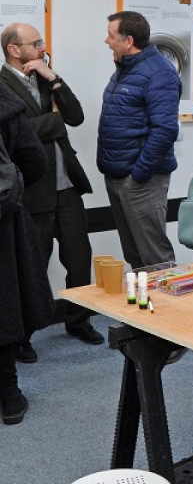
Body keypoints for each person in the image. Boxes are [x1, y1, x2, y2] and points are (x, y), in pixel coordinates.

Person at [1, 24, 101, 363]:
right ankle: (23, 337)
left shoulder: (46, 77)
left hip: (67, 186)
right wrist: (53, 121)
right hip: (31, 193)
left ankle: (78, 320)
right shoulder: (2, 86)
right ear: (14, 50)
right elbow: (17, 133)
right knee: (32, 266)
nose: (42, 47)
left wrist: (53, 76)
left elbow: (75, 116)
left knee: (78, 258)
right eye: (36, 43)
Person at [98, 11, 181, 270]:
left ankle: (169, 311)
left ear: (128, 40)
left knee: (155, 259)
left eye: (111, 36)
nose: (106, 41)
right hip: (118, 176)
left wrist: (139, 175)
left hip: (141, 180)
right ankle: (143, 309)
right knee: (135, 257)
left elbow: (165, 131)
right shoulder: (124, 69)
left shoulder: (159, 73)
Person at [0, 84, 54, 425]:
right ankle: (9, 394)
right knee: (3, 303)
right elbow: (35, 160)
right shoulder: (5, 102)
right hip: (2, 221)